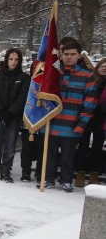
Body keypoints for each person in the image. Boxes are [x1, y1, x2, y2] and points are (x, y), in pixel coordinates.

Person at [43, 38, 99, 192]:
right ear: (60, 55)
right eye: (66, 54)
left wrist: (81, 125)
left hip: (71, 124)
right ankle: (48, 179)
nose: (68, 57)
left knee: (68, 156)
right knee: (50, 154)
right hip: (52, 122)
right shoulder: (54, 74)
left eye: (72, 54)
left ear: (79, 55)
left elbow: (90, 105)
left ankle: (66, 180)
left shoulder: (88, 77)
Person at [0, 48, 29, 182]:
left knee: (10, 146)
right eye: (11, 59)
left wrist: (11, 112)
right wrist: (0, 110)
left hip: (13, 116)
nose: (13, 62)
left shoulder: (24, 78)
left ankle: (6, 169)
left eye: (16, 59)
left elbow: (22, 97)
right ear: (6, 60)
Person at [73, 57, 106, 186]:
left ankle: (94, 173)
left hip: (102, 120)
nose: (104, 68)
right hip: (87, 117)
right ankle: (80, 172)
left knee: (98, 147)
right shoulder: (91, 80)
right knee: (83, 146)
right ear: (97, 68)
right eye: (102, 66)